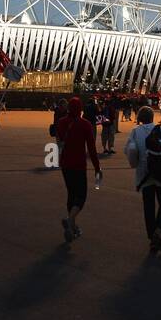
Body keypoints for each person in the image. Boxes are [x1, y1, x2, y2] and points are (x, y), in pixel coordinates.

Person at [125, 105, 161, 253]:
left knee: (149, 206)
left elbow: (129, 150)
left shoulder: (135, 131)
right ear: (152, 117)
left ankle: (151, 235)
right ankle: (158, 231)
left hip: (144, 175)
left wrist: (135, 164)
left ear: (140, 118)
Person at [55, 97, 102, 243]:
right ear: (80, 109)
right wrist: (97, 167)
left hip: (65, 164)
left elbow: (59, 139)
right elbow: (92, 148)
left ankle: (73, 227)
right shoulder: (85, 125)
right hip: (78, 164)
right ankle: (70, 220)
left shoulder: (61, 122)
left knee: (71, 194)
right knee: (81, 196)